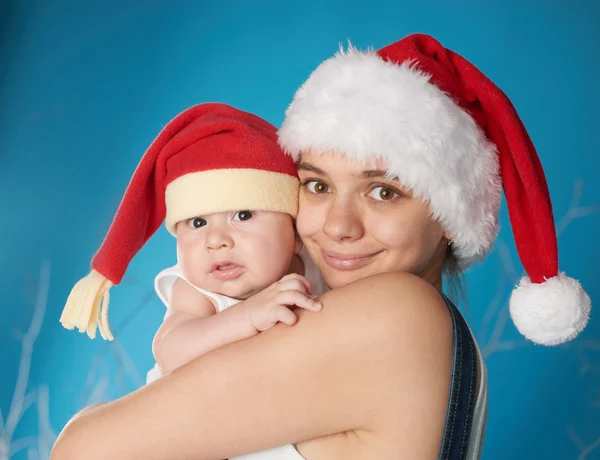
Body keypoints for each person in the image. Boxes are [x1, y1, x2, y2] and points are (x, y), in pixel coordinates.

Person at [51, 33, 591, 460]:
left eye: (384, 192)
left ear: (449, 216)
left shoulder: (395, 315)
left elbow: (82, 449)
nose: (338, 226)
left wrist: (89, 420)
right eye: (317, 185)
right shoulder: (374, 321)